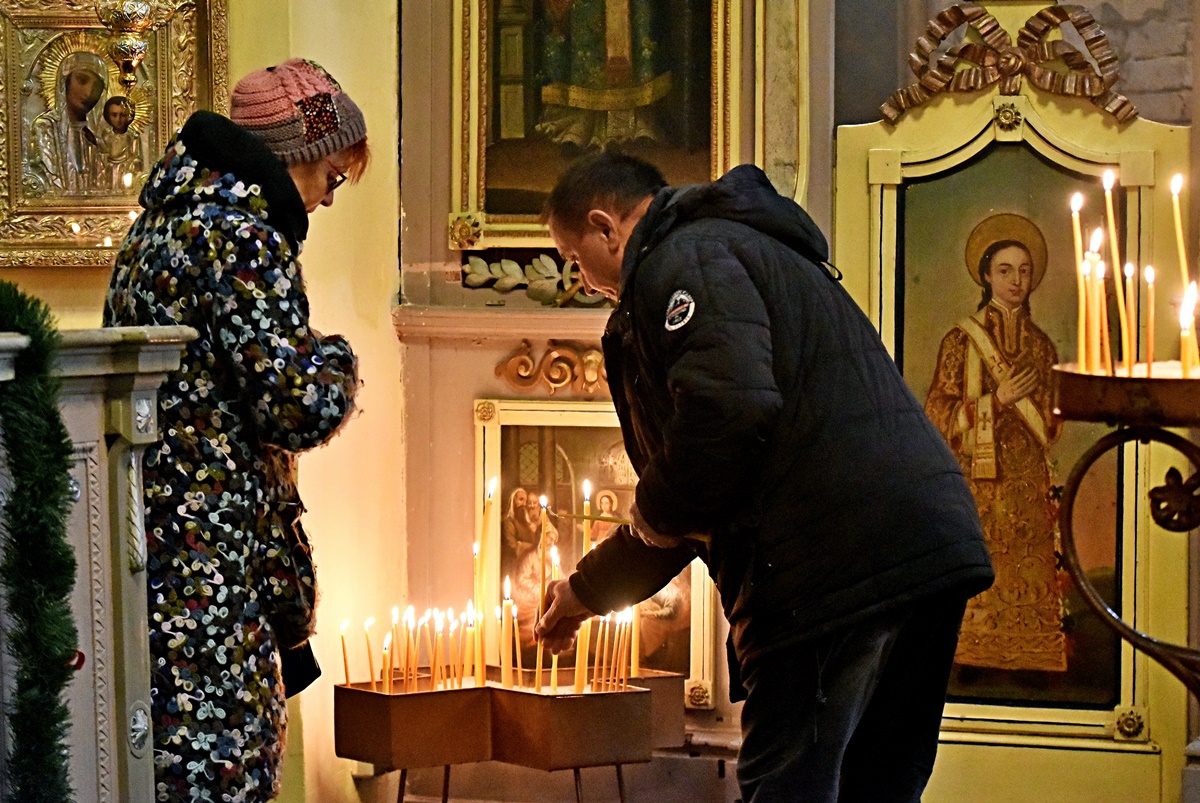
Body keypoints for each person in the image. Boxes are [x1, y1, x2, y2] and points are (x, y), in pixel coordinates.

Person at [534, 152, 994, 802]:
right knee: (877, 785)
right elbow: (699, 497)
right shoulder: (741, 246)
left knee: (789, 785)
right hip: (920, 552)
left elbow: (726, 415)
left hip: (828, 569)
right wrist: (587, 590)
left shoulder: (682, 260)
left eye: (574, 259)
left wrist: (652, 515)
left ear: (605, 227)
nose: (581, 281)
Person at [103, 58, 369, 801]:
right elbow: (298, 403)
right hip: (214, 557)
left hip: (154, 544)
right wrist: (340, 359)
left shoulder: (156, 227)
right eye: (332, 177)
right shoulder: (246, 235)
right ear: (298, 153)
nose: (328, 198)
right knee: (221, 761)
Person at [924, 215, 1064, 673]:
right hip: (976, 481)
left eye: (1024, 271)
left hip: (1027, 482)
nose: (1016, 281)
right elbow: (936, 413)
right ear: (986, 275)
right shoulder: (960, 341)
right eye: (1005, 270)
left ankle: (1034, 659)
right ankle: (971, 657)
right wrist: (995, 401)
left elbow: (1053, 420)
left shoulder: (1041, 347)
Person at [28, 50, 107, 194]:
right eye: (82, 80)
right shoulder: (46, 127)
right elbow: (47, 181)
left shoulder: (100, 136)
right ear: (64, 81)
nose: (89, 93)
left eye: (97, 87)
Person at [96, 95, 144, 189]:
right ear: (108, 116)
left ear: (129, 116)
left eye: (123, 115)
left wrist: (130, 167)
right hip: (108, 173)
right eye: (114, 115)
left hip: (126, 172)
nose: (118, 119)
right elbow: (102, 153)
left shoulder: (133, 137)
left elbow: (136, 158)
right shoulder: (106, 135)